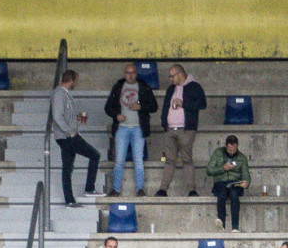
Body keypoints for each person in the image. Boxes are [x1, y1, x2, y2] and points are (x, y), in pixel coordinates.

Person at [104, 63, 158, 196]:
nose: (130, 75)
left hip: (138, 128)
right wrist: (116, 115)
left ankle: (140, 189)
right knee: (119, 161)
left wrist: (140, 107)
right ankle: (116, 190)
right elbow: (108, 107)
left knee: (138, 161)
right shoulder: (118, 87)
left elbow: (154, 106)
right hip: (122, 128)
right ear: (124, 73)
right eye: (128, 72)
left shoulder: (144, 86)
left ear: (136, 73)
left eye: (133, 72)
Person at [51, 70, 101, 207]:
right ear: (72, 80)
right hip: (68, 137)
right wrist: (70, 131)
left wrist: (76, 118)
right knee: (95, 155)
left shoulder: (63, 94)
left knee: (67, 168)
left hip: (64, 137)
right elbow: (57, 116)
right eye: (76, 80)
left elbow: (63, 115)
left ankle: (69, 199)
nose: (76, 83)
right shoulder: (59, 94)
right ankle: (89, 188)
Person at [156, 64, 207, 197]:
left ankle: (192, 189)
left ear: (180, 74)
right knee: (169, 160)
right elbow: (165, 107)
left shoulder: (194, 86)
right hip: (170, 129)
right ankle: (163, 189)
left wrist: (184, 104)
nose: (171, 79)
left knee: (187, 159)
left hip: (186, 129)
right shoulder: (170, 89)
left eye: (172, 76)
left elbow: (202, 104)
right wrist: (164, 123)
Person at [206, 135, 250, 231]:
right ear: (225, 146)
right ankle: (221, 224)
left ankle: (235, 227)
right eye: (230, 150)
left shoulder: (242, 158)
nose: (232, 152)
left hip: (235, 183)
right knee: (221, 194)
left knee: (234, 195)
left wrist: (246, 182)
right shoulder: (218, 153)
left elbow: (246, 174)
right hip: (220, 181)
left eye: (234, 150)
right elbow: (209, 171)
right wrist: (223, 168)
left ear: (237, 146)